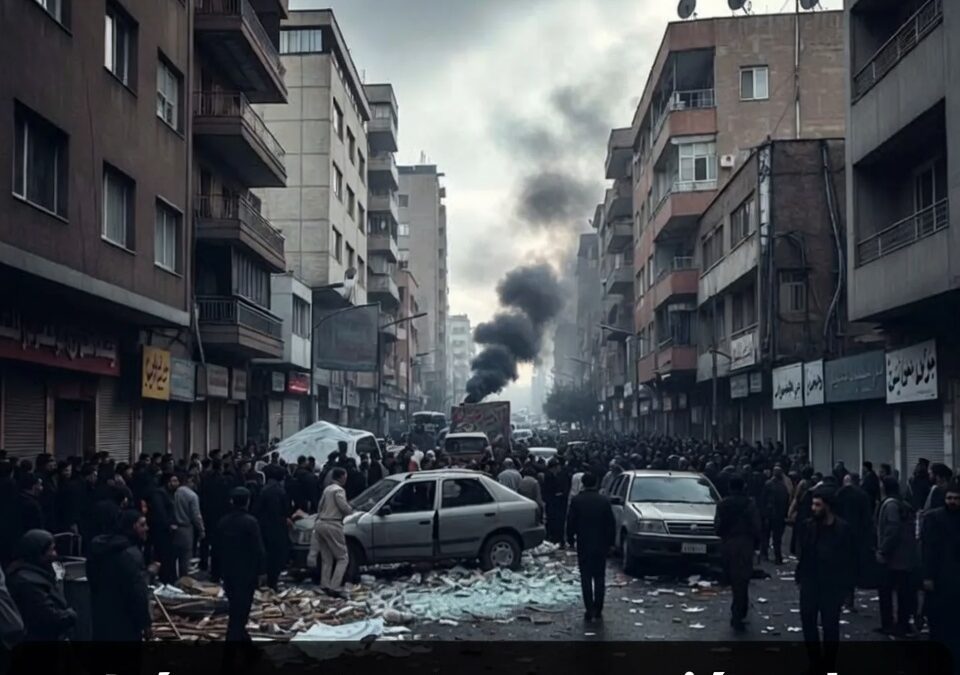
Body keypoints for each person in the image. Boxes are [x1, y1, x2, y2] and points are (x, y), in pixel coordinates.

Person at [87, 510, 153, 641]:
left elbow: (92, 578)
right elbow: (137, 592)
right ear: (134, 526)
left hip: (101, 615)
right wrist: (145, 623)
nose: (147, 528)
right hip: (125, 620)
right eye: (143, 525)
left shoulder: (99, 549)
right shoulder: (131, 554)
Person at [5, 530, 76, 641]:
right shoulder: (28, 583)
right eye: (51, 550)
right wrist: (70, 615)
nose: (55, 554)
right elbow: (49, 617)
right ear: (39, 553)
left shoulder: (33, 573)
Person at [218, 487, 265, 643]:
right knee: (240, 616)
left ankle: (249, 652)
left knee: (235, 612)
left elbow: (217, 549)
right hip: (247, 574)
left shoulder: (223, 522)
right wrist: (261, 572)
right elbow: (258, 549)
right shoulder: (251, 522)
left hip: (229, 573)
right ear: (247, 502)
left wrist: (217, 573)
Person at [566, 472, 614, 622]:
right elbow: (611, 524)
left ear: (583, 483)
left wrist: (570, 539)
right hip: (601, 543)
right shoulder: (604, 501)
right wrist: (610, 543)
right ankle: (598, 608)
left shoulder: (577, 500)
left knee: (585, 577)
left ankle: (589, 609)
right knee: (599, 577)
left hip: (584, 543)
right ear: (596, 483)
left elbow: (571, 522)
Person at [921, 479, 960, 666]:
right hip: (941, 576)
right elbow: (928, 549)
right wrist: (927, 576)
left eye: (956, 498)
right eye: (950, 498)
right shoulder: (934, 518)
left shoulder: (934, 518)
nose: (952, 501)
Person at [714, 475, 761, 631]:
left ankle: (738, 612)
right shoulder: (750, 504)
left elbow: (717, 527)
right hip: (745, 544)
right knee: (743, 579)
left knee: (732, 578)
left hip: (728, 543)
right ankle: (739, 612)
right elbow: (756, 526)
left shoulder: (722, 504)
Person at [876, 476, 919, 636]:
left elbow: (892, 530)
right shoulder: (903, 504)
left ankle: (889, 624)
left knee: (886, 592)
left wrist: (883, 550)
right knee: (904, 593)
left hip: (892, 558)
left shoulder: (890, 505)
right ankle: (902, 623)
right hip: (906, 558)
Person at [308, 467, 354, 598]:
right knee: (342, 557)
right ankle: (335, 586)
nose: (346, 479)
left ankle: (325, 584)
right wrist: (351, 510)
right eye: (345, 476)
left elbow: (320, 506)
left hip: (321, 523)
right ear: (341, 477)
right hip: (333, 523)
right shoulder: (339, 490)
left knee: (326, 557)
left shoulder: (327, 489)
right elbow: (343, 506)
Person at [836, 473, 876, 609]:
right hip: (858, 536)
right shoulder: (863, 495)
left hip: (841, 535)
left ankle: (841, 597)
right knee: (852, 567)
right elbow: (867, 518)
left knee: (840, 566)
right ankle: (849, 599)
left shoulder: (840, 493)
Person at [255, 466, 292, 590]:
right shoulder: (281, 491)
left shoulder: (263, 489)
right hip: (278, 527)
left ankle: (262, 579)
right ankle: (272, 582)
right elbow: (286, 509)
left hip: (264, 526)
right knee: (276, 555)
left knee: (265, 553)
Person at [147, 473, 179, 584]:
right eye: (174, 481)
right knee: (164, 557)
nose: (177, 483)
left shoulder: (169, 494)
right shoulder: (159, 494)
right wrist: (169, 525)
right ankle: (165, 580)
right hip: (162, 532)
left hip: (168, 532)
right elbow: (160, 513)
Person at [173, 473, 205, 580]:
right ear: (190, 480)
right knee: (185, 557)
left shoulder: (175, 492)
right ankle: (183, 580)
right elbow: (196, 516)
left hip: (173, 528)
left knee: (173, 556)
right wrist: (201, 530)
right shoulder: (192, 496)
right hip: (186, 528)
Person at [759, 465, 790, 564]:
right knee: (777, 538)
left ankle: (764, 555)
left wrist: (763, 513)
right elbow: (786, 501)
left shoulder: (768, 484)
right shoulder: (783, 486)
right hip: (779, 515)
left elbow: (763, 500)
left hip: (769, 514)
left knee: (766, 536)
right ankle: (778, 557)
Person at [543, 460, 570, 545]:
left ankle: (556, 538)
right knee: (554, 520)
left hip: (556, 502)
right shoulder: (549, 476)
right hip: (553, 503)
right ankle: (555, 538)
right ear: (554, 467)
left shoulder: (559, 475)